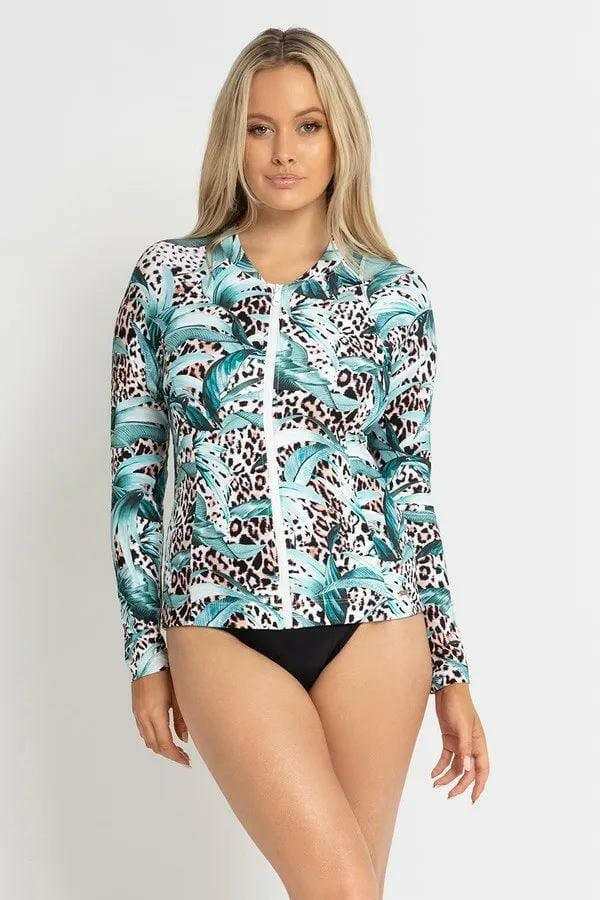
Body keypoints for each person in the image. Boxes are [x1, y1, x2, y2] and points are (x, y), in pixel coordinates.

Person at [109, 26, 489, 899]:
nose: (284, 151)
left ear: (340, 136)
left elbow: (409, 484)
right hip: (217, 622)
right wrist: (144, 655)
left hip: (376, 624)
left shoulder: (392, 295)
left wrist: (452, 672)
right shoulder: (167, 281)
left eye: (308, 126)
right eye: (260, 127)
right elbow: (135, 480)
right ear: (232, 139)